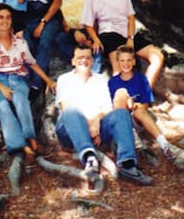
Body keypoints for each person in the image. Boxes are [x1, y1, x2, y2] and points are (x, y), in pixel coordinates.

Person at [54, 44, 154, 186]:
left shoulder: (101, 79)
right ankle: (90, 159)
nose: (84, 61)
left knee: (121, 113)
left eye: (87, 57)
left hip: (97, 127)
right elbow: (65, 107)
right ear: (73, 61)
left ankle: (128, 165)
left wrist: (96, 122)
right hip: (70, 130)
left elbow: (107, 107)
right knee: (71, 111)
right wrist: (89, 124)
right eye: (80, 58)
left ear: (92, 61)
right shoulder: (64, 79)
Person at [0, 4, 56, 157]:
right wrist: (1, 87)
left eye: (8, 17)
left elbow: (33, 63)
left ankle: (32, 140)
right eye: (1, 17)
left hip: (18, 79)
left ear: (12, 21)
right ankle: (21, 146)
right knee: (3, 107)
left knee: (21, 101)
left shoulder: (20, 43)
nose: (5, 20)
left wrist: (48, 81)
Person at [80, 0, 164, 88]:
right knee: (119, 69)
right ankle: (120, 104)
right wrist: (95, 40)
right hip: (109, 34)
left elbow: (130, 16)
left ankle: (144, 96)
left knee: (157, 56)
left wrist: (130, 38)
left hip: (127, 32)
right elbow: (88, 23)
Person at [109, 45, 184, 170]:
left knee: (139, 110)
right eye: (122, 60)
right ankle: (138, 146)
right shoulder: (113, 82)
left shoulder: (141, 79)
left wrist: (134, 105)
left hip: (139, 116)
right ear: (118, 62)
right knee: (121, 95)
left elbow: (145, 103)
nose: (126, 63)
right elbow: (115, 107)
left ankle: (166, 147)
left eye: (129, 60)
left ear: (134, 61)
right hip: (123, 120)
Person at [54, 0, 102, 73]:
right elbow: (65, 25)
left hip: (90, 32)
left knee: (96, 49)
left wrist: (90, 39)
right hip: (73, 35)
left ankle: (94, 72)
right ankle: (79, 60)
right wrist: (74, 33)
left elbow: (96, 18)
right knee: (60, 38)